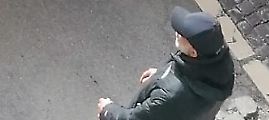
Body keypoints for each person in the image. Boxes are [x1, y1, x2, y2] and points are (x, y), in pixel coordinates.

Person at [97, 7, 234, 120]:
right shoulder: (221, 64)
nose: (177, 33)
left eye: (183, 35)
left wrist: (108, 110)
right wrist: (161, 75)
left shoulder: (169, 94)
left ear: (193, 52)